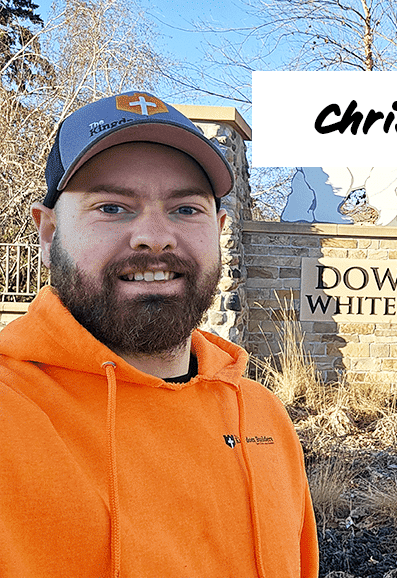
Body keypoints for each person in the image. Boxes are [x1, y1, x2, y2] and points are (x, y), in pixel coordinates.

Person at [0, 92, 318, 578]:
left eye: (186, 209)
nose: (155, 235)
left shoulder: (264, 418)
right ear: (47, 235)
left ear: (219, 229)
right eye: (111, 207)